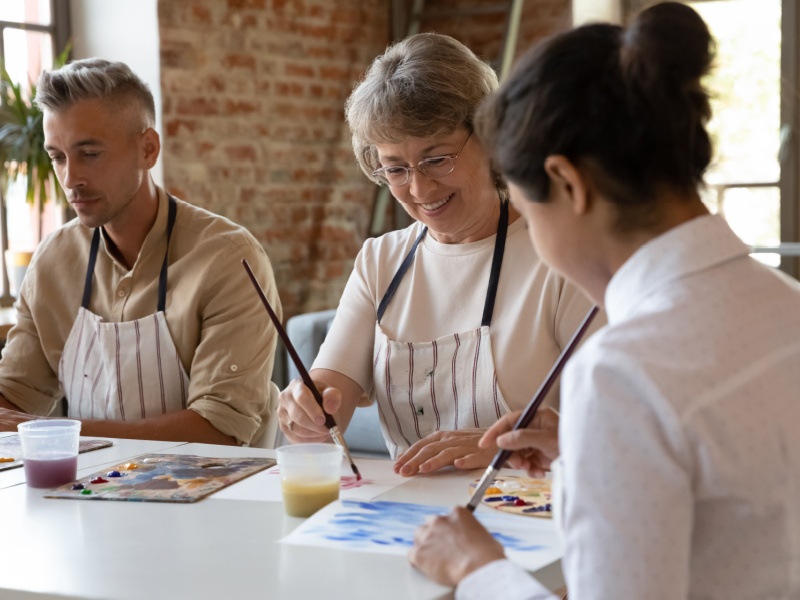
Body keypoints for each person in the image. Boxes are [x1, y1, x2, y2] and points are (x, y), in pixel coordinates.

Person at [410, 2, 800, 598]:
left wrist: (477, 568)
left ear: (569, 184)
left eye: (528, 210)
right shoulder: (785, 302)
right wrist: (588, 454)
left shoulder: (624, 370)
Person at [278, 33, 601, 476]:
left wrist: (506, 450)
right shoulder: (381, 261)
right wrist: (308, 412)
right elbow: (330, 399)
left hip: (527, 517)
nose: (419, 189)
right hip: (404, 516)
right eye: (395, 168)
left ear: (489, 139)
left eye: (437, 159)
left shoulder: (559, 258)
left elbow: (620, 428)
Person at [0, 59, 281, 446]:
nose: (70, 180)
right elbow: (14, 397)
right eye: (58, 157)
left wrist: (50, 432)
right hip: (86, 495)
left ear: (148, 149)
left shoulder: (229, 259)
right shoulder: (52, 260)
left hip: (213, 497)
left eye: (90, 153)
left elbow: (217, 432)